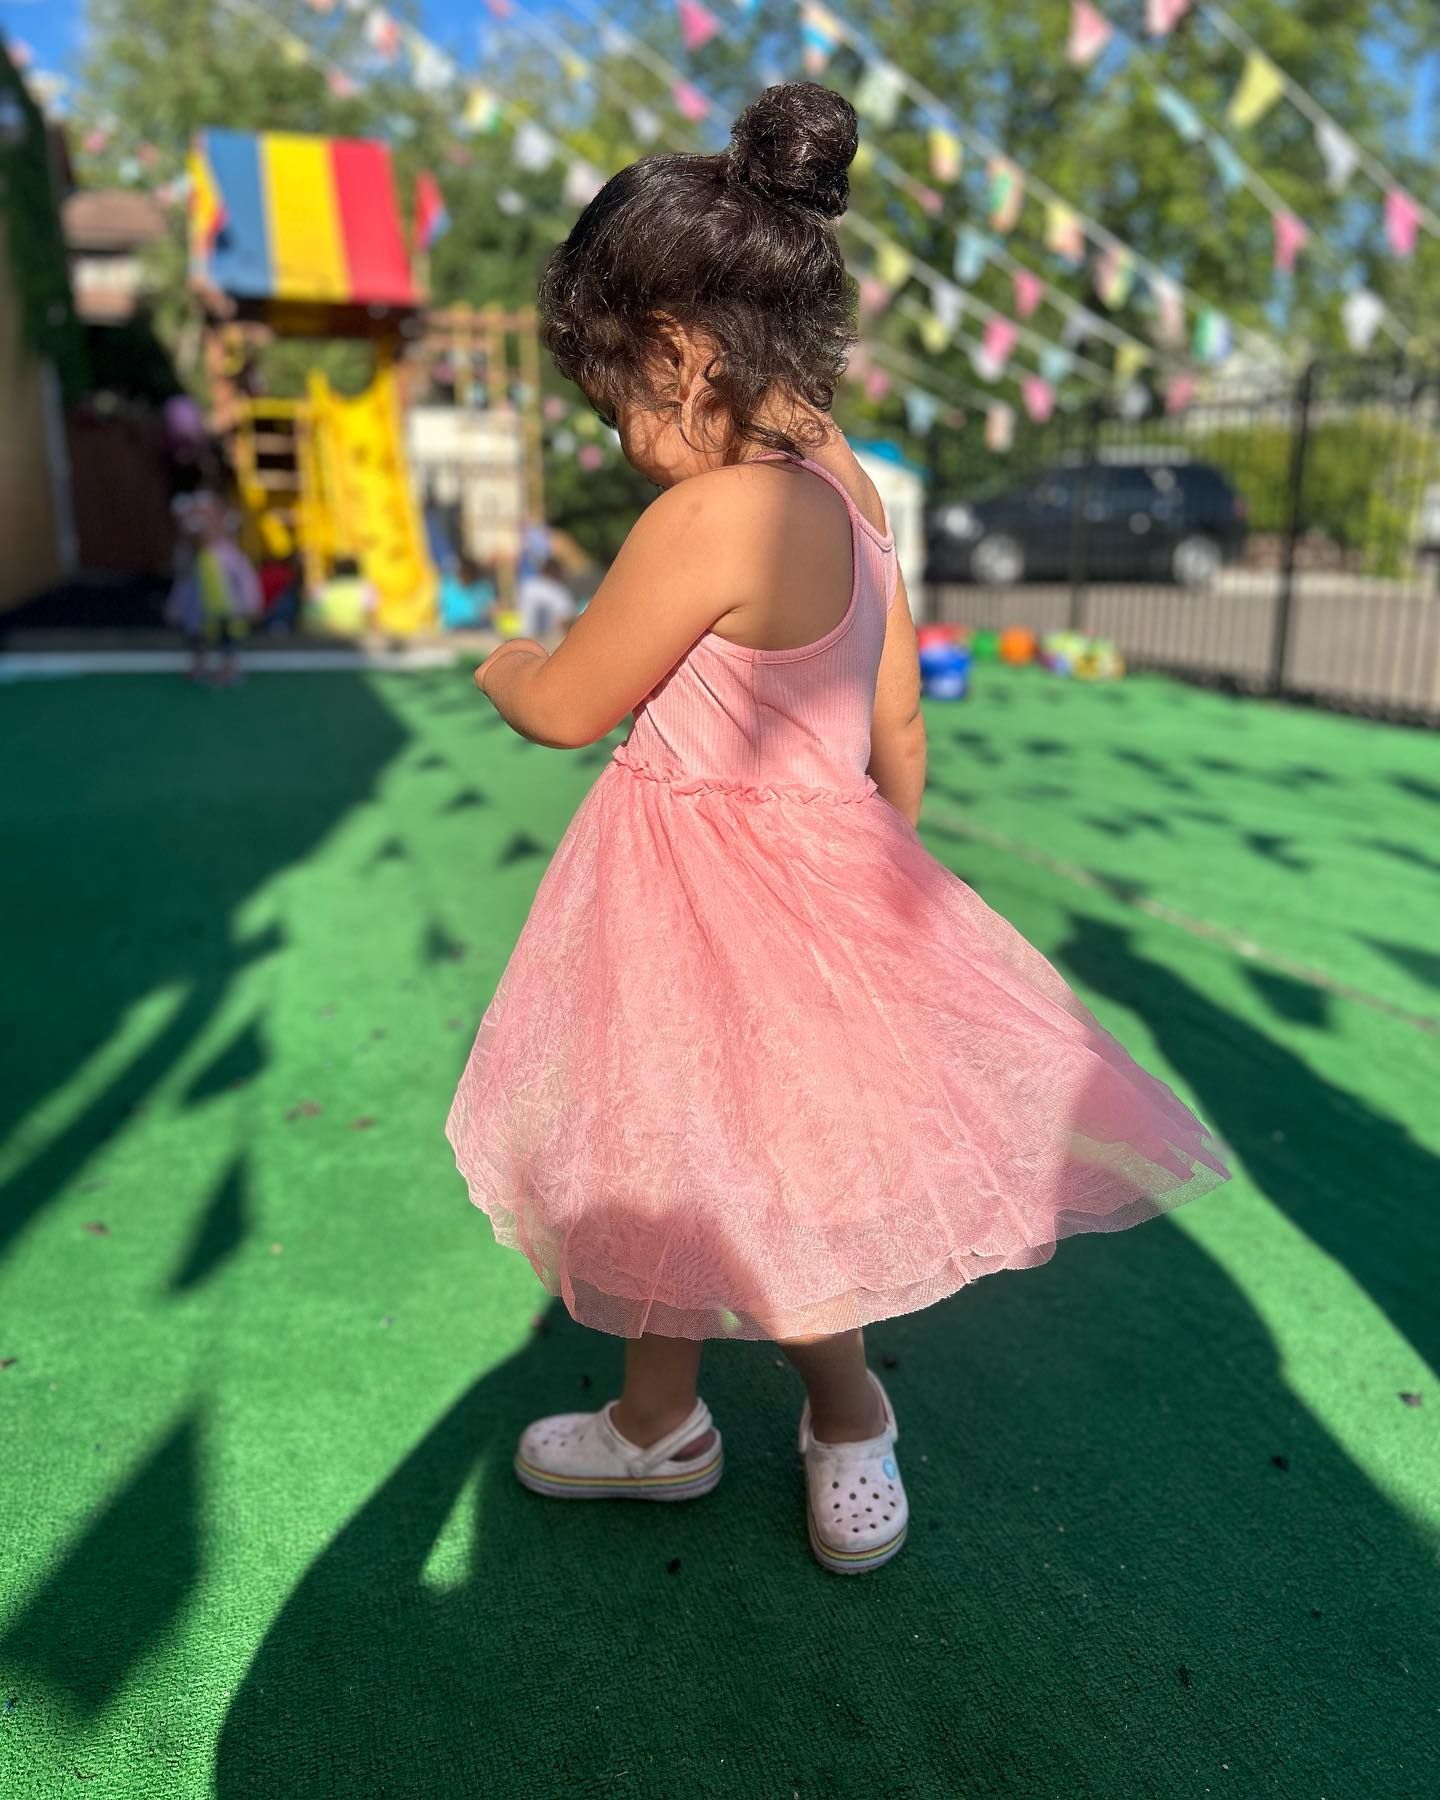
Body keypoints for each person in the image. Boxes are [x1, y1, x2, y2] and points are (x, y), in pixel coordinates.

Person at [446, 84, 1230, 1575]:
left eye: (616, 399)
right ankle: (658, 1421)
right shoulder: (848, 492)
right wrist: (876, 885)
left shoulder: (711, 518)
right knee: (689, 1157)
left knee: (740, 1181)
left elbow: (564, 704)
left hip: (693, 897)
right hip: (822, 883)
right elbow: (899, 722)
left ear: (680, 356)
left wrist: (500, 658)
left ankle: (848, 1406)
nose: (619, 440)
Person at [166, 492, 260, 685]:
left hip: (227, 608)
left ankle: (228, 667)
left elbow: (244, 579)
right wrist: (175, 606)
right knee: (197, 638)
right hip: (198, 611)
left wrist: (252, 602)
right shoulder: (191, 557)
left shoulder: (230, 554)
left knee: (227, 637)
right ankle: (199, 665)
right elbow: (183, 584)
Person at [515, 554, 577, 641]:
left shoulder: (527, 585)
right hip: (548, 642)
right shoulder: (558, 591)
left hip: (522, 637)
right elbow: (566, 620)